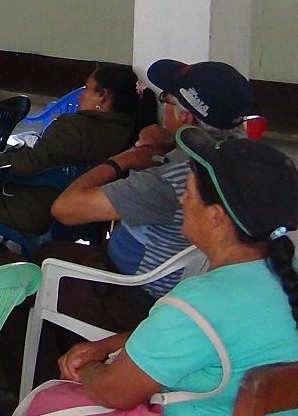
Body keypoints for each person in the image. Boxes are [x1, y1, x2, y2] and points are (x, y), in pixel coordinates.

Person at [53, 127, 298, 416]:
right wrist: (107, 345)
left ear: (216, 216)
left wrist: (87, 368)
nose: (182, 200)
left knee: (49, 401)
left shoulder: (198, 302)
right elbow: (203, 336)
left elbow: (112, 391)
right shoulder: (283, 274)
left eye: (189, 193)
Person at [47, 59, 254, 329]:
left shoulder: (169, 181)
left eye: (165, 99)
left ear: (185, 118)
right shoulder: (245, 159)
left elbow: (65, 209)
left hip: (136, 293)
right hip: (192, 284)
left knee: (42, 262)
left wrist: (127, 158)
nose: (162, 107)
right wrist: (172, 147)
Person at [0, 63, 156, 235]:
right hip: (83, 214)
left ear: (102, 96)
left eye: (87, 89)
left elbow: (30, 163)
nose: (80, 95)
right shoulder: (126, 130)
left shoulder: (73, 129)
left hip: (36, 209)